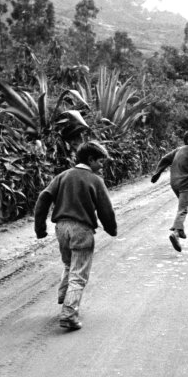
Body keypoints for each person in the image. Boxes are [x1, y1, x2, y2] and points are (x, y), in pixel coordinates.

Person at [34, 141, 117, 331]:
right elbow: (106, 210)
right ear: (90, 159)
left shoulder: (62, 176)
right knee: (79, 273)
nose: (102, 166)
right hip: (82, 229)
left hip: (61, 228)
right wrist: (111, 229)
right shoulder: (95, 180)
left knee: (68, 263)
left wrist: (40, 228)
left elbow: (43, 198)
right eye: (100, 161)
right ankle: (69, 314)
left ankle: (64, 295)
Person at [151, 129, 188, 252]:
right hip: (185, 185)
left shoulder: (178, 150)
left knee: (182, 206)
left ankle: (180, 230)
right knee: (183, 209)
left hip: (174, 184)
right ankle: (176, 233)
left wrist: (157, 172)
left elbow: (165, 159)